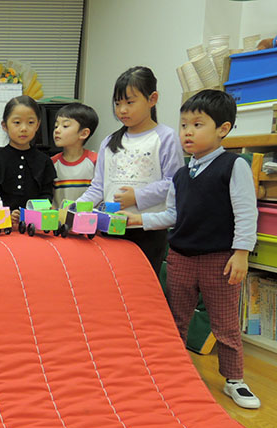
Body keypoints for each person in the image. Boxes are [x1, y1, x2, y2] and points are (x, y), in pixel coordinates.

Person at [123, 90, 260, 409]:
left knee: (224, 323)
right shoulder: (181, 174)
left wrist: (241, 253)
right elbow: (172, 215)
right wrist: (139, 220)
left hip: (219, 260)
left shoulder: (233, 165)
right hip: (180, 258)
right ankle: (174, 373)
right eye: (184, 125)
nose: (187, 131)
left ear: (223, 129)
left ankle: (234, 379)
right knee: (175, 319)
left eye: (197, 125)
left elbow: (246, 212)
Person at [76, 66, 183, 273]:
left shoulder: (166, 137)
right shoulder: (109, 141)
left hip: (147, 229)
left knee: (142, 283)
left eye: (130, 102)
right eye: (117, 104)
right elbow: (98, 187)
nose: (122, 110)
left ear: (152, 99)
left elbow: (174, 182)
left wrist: (138, 197)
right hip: (110, 228)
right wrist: (75, 208)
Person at [0, 95, 56, 225]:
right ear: (4, 125)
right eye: (17, 122)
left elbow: (46, 195)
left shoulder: (44, 161)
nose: (24, 128)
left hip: (35, 225)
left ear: (38, 125)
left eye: (30, 122)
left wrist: (34, 212)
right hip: (3, 225)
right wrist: (6, 213)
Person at [51, 102, 99, 205]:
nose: (57, 130)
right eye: (56, 126)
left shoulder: (96, 161)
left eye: (65, 126)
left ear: (84, 133)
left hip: (88, 215)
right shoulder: (52, 163)